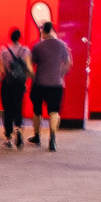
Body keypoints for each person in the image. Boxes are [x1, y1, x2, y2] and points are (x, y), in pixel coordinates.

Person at [29, 19, 72, 152]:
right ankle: (52, 138)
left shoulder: (38, 46)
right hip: (56, 84)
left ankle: (37, 136)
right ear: (52, 30)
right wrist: (61, 74)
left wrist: (32, 77)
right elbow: (68, 63)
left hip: (40, 83)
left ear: (43, 32)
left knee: (37, 111)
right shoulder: (62, 45)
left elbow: (30, 64)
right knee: (54, 112)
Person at [0, 27, 32, 149]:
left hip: (7, 83)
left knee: (7, 110)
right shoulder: (25, 51)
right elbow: (28, 68)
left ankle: (8, 139)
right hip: (19, 84)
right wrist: (26, 80)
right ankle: (18, 129)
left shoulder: (4, 50)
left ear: (10, 37)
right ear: (19, 38)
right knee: (18, 107)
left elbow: (1, 69)